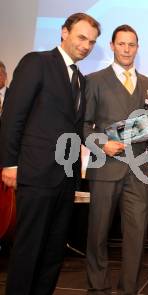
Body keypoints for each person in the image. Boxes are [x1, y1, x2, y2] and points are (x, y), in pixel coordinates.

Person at [0, 13, 100, 295]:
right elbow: (13, 116)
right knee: (28, 249)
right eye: (81, 37)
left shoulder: (81, 79)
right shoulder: (37, 62)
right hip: (35, 173)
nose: (86, 45)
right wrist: (9, 164)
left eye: (91, 42)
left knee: (53, 252)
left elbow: (75, 127)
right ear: (64, 32)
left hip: (66, 179)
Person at [83, 24, 148, 295]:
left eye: (132, 45)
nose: (127, 49)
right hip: (105, 167)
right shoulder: (93, 80)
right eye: (122, 44)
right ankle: (98, 288)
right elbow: (83, 124)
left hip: (140, 171)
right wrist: (103, 143)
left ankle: (129, 289)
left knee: (137, 236)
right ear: (113, 46)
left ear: (137, 48)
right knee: (98, 233)